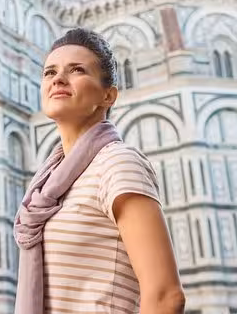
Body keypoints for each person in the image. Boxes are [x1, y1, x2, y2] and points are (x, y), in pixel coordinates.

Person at [14, 28, 185, 314]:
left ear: (108, 96)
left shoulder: (116, 163)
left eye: (77, 70)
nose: (58, 79)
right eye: (49, 72)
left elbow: (166, 295)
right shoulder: (46, 187)